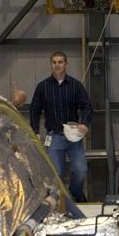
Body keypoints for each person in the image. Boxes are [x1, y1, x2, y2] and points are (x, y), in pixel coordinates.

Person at [29, 51, 92, 202]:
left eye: (60, 62)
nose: (57, 65)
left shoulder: (76, 86)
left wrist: (85, 123)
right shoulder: (43, 87)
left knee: (81, 170)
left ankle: (75, 194)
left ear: (66, 64)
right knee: (55, 174)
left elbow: (86, 106)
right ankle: (60, 203)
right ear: (51, 65)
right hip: (54, 137)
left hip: (73, 137)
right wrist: (35, 131)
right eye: (54, 62)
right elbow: (34, 110)